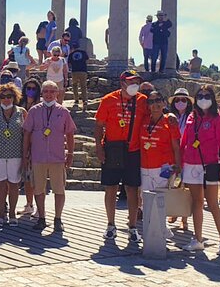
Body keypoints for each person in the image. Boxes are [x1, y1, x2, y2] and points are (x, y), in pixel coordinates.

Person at [95, 70, 149, 242]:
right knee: (111, 188)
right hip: (112, 149)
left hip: (133, 150)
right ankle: (110, 225)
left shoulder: (143, 100)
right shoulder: (108, 99)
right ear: (122, 83)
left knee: (132, 190)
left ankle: (132, 227)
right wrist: (98, 148)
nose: (135, 84)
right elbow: (98, 125)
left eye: (137, 81)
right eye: (131, 81)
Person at [180, 86, 220, 255]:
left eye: (207, 95)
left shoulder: (219, 117)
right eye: (200, 96)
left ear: (212, 98)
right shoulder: (191, 117)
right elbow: (185, 141)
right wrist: (180, 162)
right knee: (197, 202)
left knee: (212, 203)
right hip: (191, 164)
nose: (203, 98)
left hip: (210, 164)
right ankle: (198, 239)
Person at [23, 80, 76, 232]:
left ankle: (58, 218)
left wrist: (70, 153)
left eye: (52, 91)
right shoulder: (34, 110)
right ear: (42, 93)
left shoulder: (63, 111)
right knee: (38, 188)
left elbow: (70, 134)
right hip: (38, 156)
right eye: (46, 91)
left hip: (57, 157)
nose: (48, 94)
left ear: (57, 94)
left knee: (59, 189)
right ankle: (41, 217)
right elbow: (27, 133)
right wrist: (25, 154)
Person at [0, 83, 26, 227]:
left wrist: (26, 156)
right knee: (0, 185)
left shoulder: (22, 112)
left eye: (9, 96)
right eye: (3, 96)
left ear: (14, 97)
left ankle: (13, 213)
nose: (6, 99)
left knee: (14, 184)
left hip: (16, 154)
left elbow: (26, 135)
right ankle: (1, 213)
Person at [139, 90, 181, 199]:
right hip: (145, 167)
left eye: (158, 100)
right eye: (151, 101)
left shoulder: (170, 122)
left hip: (163, 168)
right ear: (148, 105)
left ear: (164, 103)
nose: (155, 104)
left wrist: (177, 166)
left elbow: (176, 147)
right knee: (146, 201)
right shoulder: (143, 120)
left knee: (161, 203)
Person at [167, 87, 193, 229]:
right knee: (174, 184)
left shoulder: (193, 117)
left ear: (188, 102)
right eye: (178, 100)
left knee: (186, 187)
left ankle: (184, 218)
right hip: (173, 155)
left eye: (184, 100)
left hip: (188, 156)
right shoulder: (170, 117)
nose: (181, 102)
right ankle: (174, 211)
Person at [17, 78, 42, 218]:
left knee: (37, 178)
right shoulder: (20, 105)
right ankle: (29, 204)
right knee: (26, 177)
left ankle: (40, 207)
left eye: (33, 88)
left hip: (36, 145)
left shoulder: (40, 106)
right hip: (21, 144)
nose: (30, 91)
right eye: (28, 88)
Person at [67, 46, 89, 112]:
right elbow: (87, 60)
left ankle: (76, 99)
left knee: (74, 85)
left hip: (74, 71)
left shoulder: (71, 54)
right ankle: (84, 100)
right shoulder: (83, 52)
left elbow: (69, 63)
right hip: (83, 71)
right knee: (83, 86)